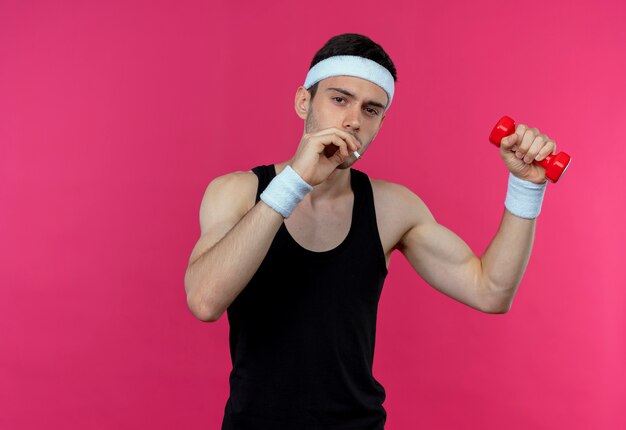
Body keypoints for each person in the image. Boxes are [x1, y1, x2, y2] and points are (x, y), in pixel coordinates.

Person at [184, 33, 556, 430]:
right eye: (339, 99)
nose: (353, 121)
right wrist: (295, 182)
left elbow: (491, 291)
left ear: (381, 122)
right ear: (303, 102)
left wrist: (526, 188)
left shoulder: (392, 207)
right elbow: (205, 301)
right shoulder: (237, 192)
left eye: (372, 109)